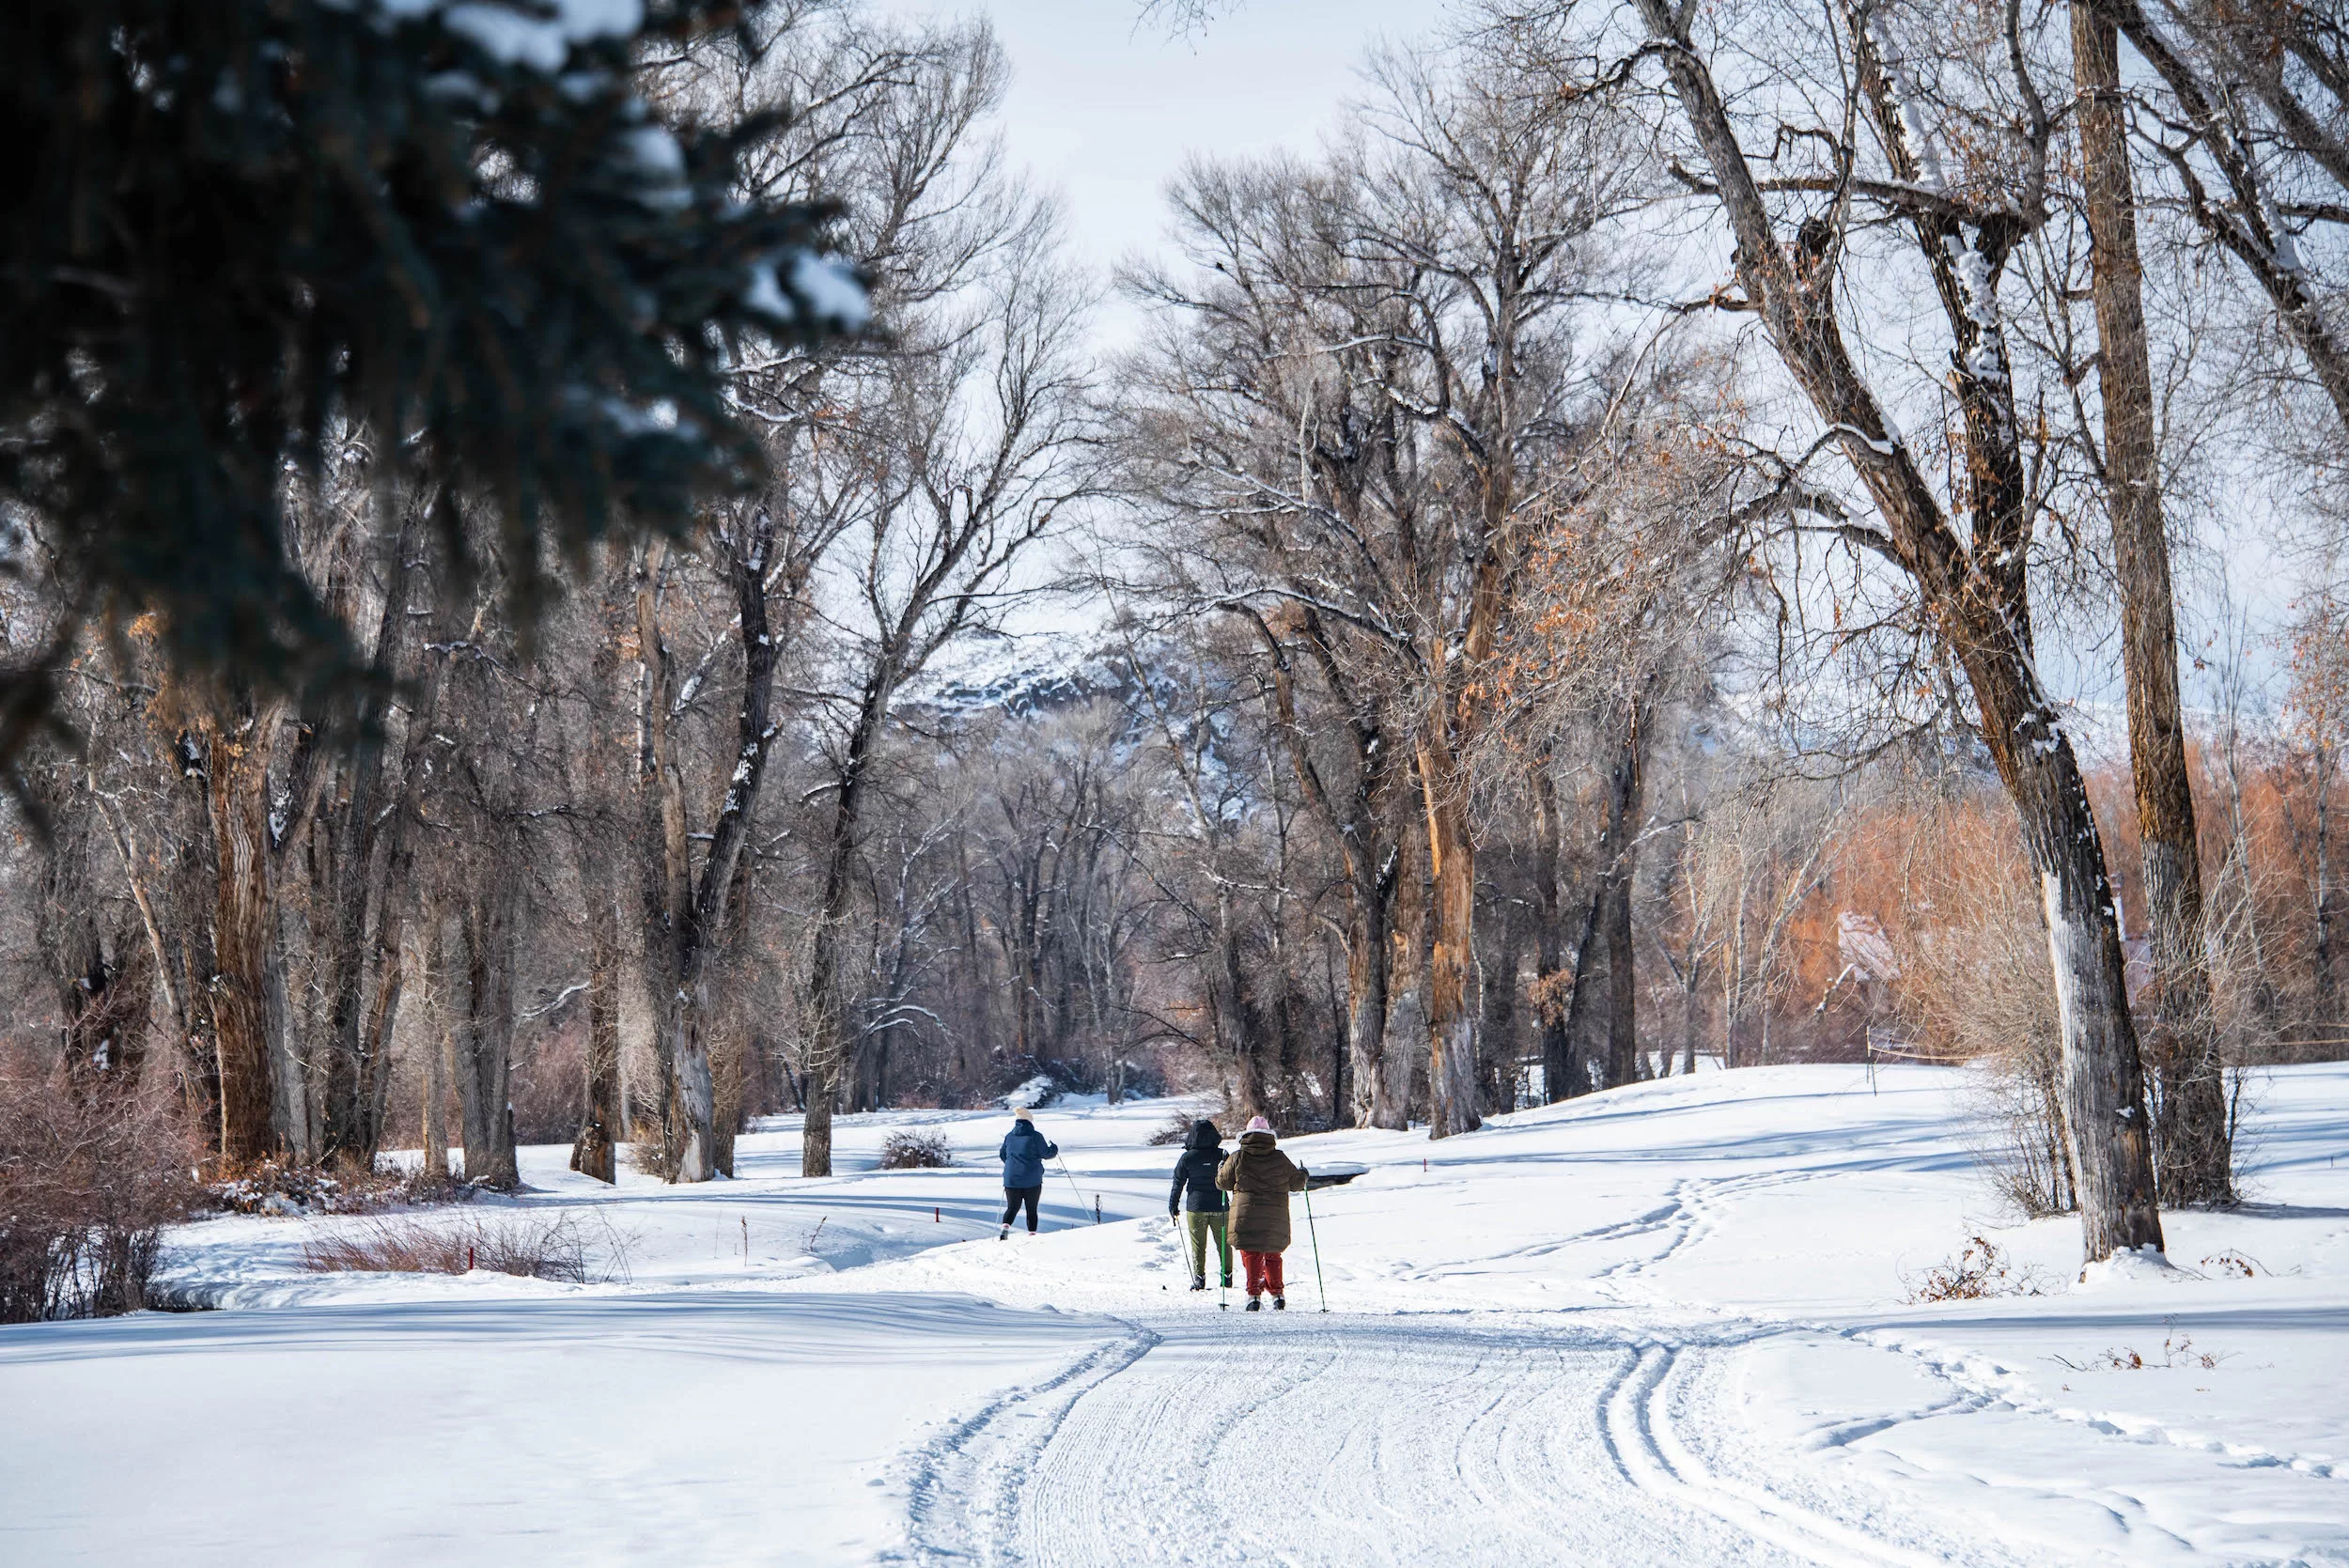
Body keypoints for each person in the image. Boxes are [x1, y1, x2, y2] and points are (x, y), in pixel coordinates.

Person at [1216, 1114, 1307, 1311]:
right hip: (1275, 1215)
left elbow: (1223, 1183)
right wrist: (1303, 1173)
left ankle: (1253, 1296)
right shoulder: (1279, 1158)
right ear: (1269, 1135)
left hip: (1246, 1214)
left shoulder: (1238, 1157)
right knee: (1273, 1254)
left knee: (1251, 1254)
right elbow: (1297, 1184)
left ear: (1247, 1134)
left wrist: (1221, 1168)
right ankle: (1277, 1294)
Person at [1167, 1119, 1232, 1292]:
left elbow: (1178, 1183)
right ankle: (1227, 1277)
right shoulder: (1223, 1154)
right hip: (1221, 1205)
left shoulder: (1187, 1158)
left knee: (1198, 1245)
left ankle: (1199, 1278)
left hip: (1196, 1207)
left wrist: (1173, 1205)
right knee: (1224, 1244)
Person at [997, 1106, 1058, 1239]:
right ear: (1030, 1122)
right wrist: (1054, 1148)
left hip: (1011, 1179)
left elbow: (1003, 1155)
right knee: (1031, 1209)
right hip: (1032, 1179)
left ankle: (1005, 1228)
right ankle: (1032, 1235)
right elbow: (1046, 1154)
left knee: (1012, 1207)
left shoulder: (1009, 1136)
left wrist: (1012, 1165)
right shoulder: (1036, 1136)